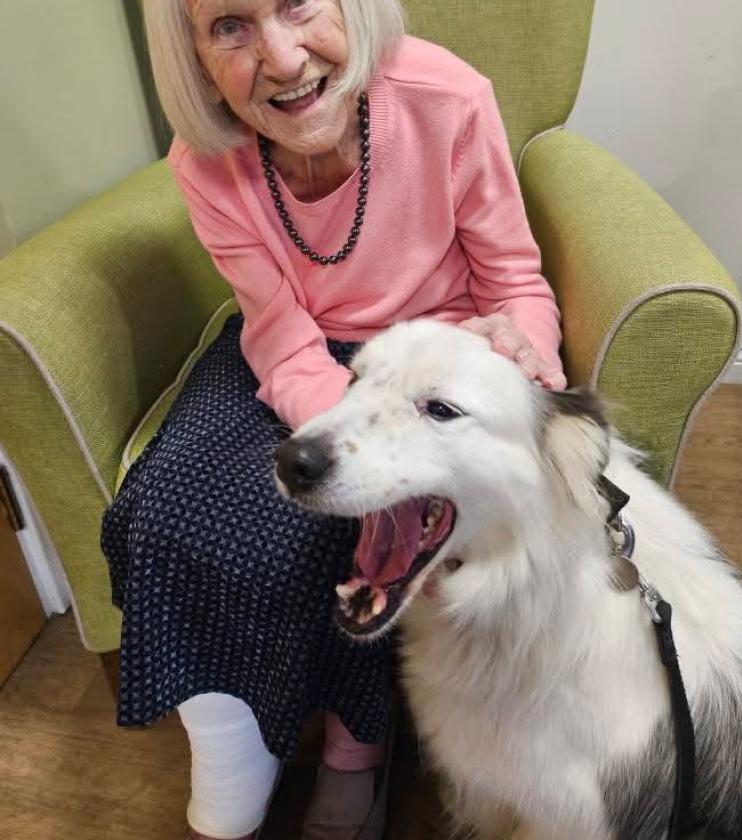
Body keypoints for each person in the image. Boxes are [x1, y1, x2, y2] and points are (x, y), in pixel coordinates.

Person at [102, 1, 567, 838]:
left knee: (355, 520)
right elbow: (278, 337)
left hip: (434, 343)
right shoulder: (203, 164)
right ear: (195, 58)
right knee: (164, 510)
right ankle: (238, 738)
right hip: (299, 355)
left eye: (296, 5)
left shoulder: (448, 99)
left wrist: (520, 373)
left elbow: (513, 284)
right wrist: (346, 437)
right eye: (229, 27)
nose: (281, 58)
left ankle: (358, 750)